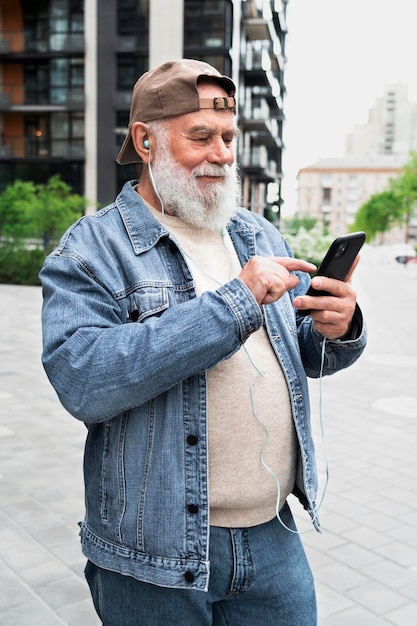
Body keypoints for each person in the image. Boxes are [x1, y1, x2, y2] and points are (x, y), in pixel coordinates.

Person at [40, 59, 367, 625]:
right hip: (153, 558)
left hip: (273, 538)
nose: (221, 154)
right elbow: (83, 380)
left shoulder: (255, 232)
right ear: (145, 141)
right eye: (201, 137)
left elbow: (306, 350)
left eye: (227, 138)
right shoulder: (91, 249)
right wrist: (234, 303)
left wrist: (342, 326)